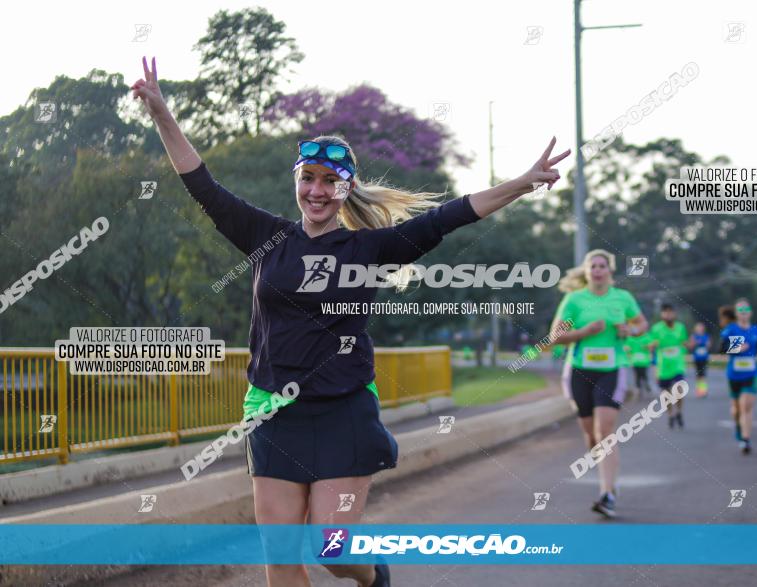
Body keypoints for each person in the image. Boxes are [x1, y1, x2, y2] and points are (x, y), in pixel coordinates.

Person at [131, 55, 569, 586]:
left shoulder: (370, 248)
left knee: (332, 550)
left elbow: (448, 216)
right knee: (283, 558)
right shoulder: (266, 237)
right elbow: (202, 185)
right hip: (271, 409)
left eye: (330, 182)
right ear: (298, 182)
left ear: (346, 189)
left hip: (343, 410)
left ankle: (371, 575)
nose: (317, 191)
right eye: (308, 178)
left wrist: (521, 183)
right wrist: (161, 114)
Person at [546, 249, 648, 519]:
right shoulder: (575, 300)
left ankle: (608, 494)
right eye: (593, 266)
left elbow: (642, 324)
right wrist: (584, 332)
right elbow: (555, 337)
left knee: (606, 431)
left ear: (610, 271)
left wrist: (631, 330)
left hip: (611, 370)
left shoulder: (622, 299)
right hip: (579, 371)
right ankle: (605, 472)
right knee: (592, 435)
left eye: (603, 266)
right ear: (587, 271)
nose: (598, 270)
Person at [718, 298, 757, 454]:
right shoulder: (730, 330)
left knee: (746, 406)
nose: (743, 313)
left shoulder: (756, 329)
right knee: (736, 410)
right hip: (734, 375)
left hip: (752, 373)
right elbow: (721, 349)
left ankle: (745, 440)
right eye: (740, 311)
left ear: (750, 313)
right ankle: (738, 426)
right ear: (736, 314)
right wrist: (737, 348)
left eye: (746, 310)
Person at [646, 303, 689, 429]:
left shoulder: (680, 327)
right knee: (666, 393)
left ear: (674, 314)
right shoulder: (656, 328)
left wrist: (689, 344)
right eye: (666, 312)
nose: (668, 314)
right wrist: (652, 346)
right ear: (662, 314)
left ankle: (679, 412)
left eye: (671, 312)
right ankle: (670, 415)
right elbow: (651, 346)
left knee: (679, 390)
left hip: (677, 365)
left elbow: (684, 342)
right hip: (663, 366)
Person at [623, 331, 654, 399]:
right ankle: (640, 388)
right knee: (638, 375)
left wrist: (648, 349)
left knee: (643, 374)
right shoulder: (630, 339)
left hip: (644, 361)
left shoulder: (646, 337)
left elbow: (651, 346)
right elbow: (626, 349)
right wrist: (629, 359)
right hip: (635, 361)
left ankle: (645, 384)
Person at [689, 321, 712, 398]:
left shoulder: (706, 336)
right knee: (698, 375)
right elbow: (691, 346)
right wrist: (695, 343)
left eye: (701, 327)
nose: (699, 329)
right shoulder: (694, 336)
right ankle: (699, 391)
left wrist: (704, 344)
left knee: (703, 375)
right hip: (697, 359)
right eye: (698, 327)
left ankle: (703, 391)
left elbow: (708, 345)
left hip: (704, 358)